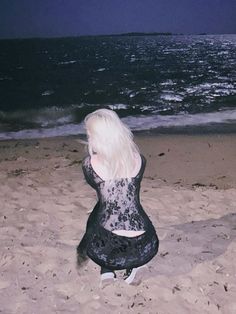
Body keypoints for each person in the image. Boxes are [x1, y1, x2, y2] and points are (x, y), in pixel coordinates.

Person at [77, 109, 159, 285]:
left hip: (106, 251)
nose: (88, 137)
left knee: (99, 210)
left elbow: (99, 188)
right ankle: (134, 266)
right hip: (145, 244)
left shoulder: (89, 165)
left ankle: (107, 270)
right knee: (125, 205)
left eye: (90, 134)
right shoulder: (139, 159)